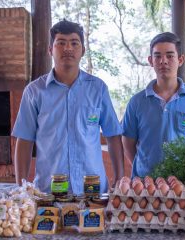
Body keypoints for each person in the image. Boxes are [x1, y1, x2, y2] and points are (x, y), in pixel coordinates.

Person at [12, 20, 124, 194]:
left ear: (83, 51)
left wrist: (119, 177)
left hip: (92, 191)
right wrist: (21, 187)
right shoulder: (34, 91)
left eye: (74, 43)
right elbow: (25, 141)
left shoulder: (98, 89)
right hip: (48, 194)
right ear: (51, 50)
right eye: (61, 43)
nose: (68, 48)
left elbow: (113, 135)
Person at [122, 32, 185, 178]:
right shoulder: (137, 102)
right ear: (150, 60)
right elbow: (128, 144)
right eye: (157, 56)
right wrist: (144, 171)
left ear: (180, 59)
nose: (163, 61)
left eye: (170, 56)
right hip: (146, 187)